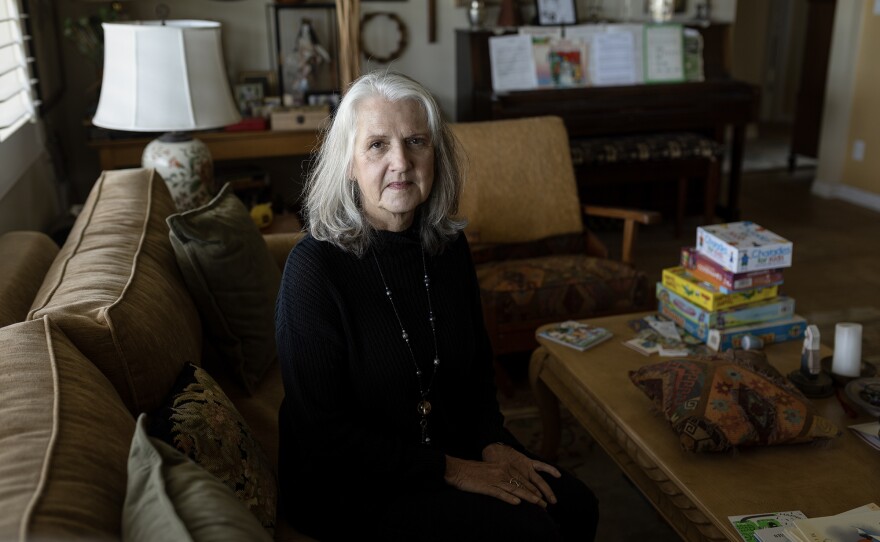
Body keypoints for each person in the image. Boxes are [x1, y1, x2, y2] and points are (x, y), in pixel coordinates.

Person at [275, 70, 599, 541]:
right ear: (348, 162)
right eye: (377, 145)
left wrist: (491, 441)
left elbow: (477, 371)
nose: (400, 162)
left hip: (444, 444)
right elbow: (324, 435)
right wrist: (452, 470)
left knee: (576, 507)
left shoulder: (447, 246)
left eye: (415, 142)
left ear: (436, 154)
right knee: (530, 532)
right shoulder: (314, 270)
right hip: (352, 482)